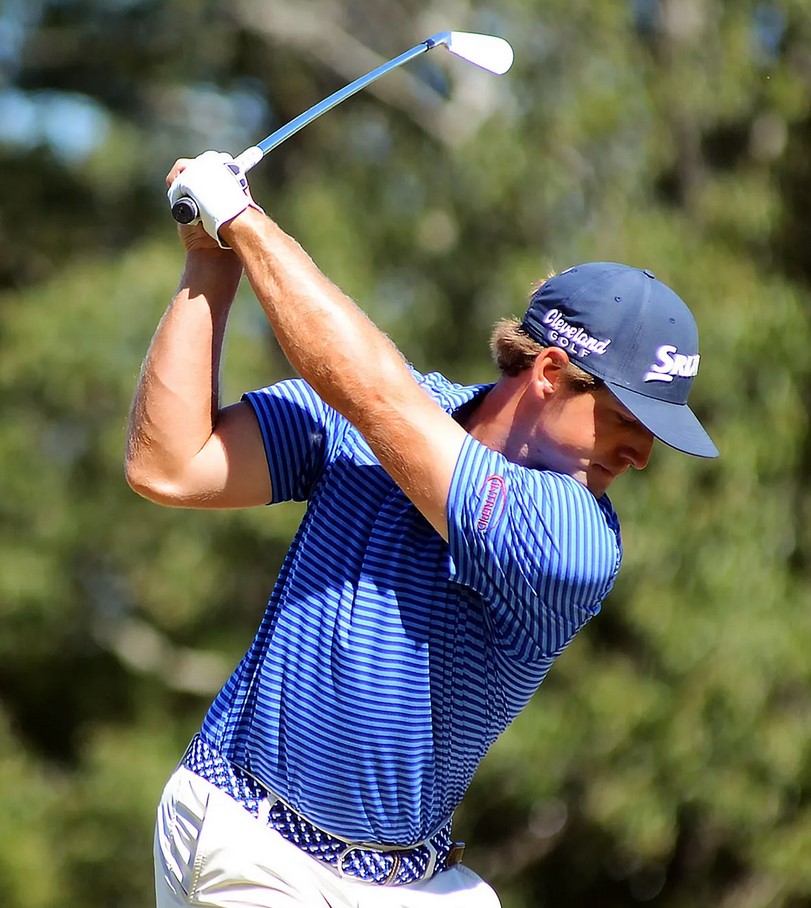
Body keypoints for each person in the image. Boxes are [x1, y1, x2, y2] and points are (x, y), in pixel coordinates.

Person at [125, 150, 718, 908]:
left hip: (415, 883)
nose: (639, 456)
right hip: (252, 841)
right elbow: (170, 464)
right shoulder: (377, 412)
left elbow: (379, 400)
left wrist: (242, 220)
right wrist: (210, 261)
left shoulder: (576, 541)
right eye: (626, 420)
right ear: (547, 374)